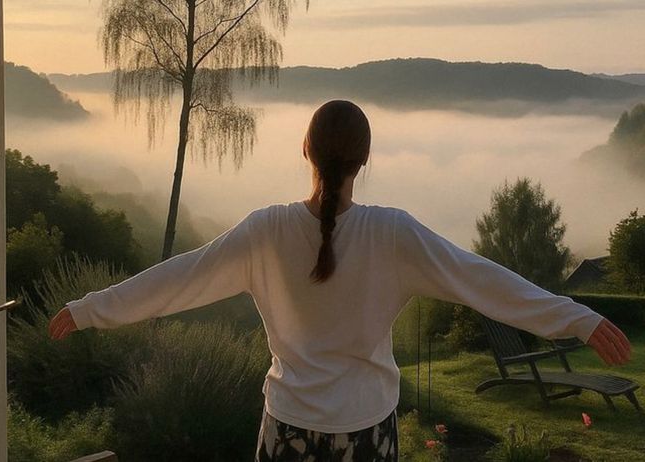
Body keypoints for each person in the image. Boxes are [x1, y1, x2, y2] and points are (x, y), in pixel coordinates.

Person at [48, 100, 632, 462]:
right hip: (366, 435)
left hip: (287, 431)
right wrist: (576, 318)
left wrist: (91, 308)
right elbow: (481, 279)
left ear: (306, 149)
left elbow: (180, 278)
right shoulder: (392, 233)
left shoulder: (267, 231)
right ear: (364, 159)